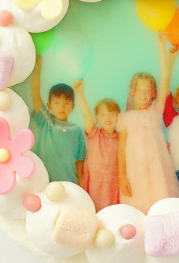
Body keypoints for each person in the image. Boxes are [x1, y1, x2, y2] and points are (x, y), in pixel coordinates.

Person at [118, 35, 179, 214]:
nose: (144, 94)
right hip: (135, 169)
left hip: (157, 166)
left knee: (161, 203)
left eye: (148, 90)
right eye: (140, 90)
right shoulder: (124, 118)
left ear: (154, 92)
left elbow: (165, 78)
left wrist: (161, 49)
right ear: (132, 92)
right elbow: (121, 150)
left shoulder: (155, 110)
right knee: (138, 207)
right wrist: (122, 177)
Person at [29, 55, 86, 184]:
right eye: (56, 103)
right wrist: (37, 69)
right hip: (44, 182)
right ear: (49, 106)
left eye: (66, 103)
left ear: (73, 107)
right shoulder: (46, 121)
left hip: (69, 183)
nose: (61, 107)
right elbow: (35, 95)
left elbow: (79, 161)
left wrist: (81, 184)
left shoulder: (77, 131)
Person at [72, 80, 120, 211]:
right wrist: (80, 93)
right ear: (97, 118)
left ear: (118, 117)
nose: (108, 118)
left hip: (113, 183)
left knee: (111, 211)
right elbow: (87, 115)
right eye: (103, 114)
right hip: (95, 181)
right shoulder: (94, 134)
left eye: (112, 114)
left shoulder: (121, 138)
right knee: (93, 209)